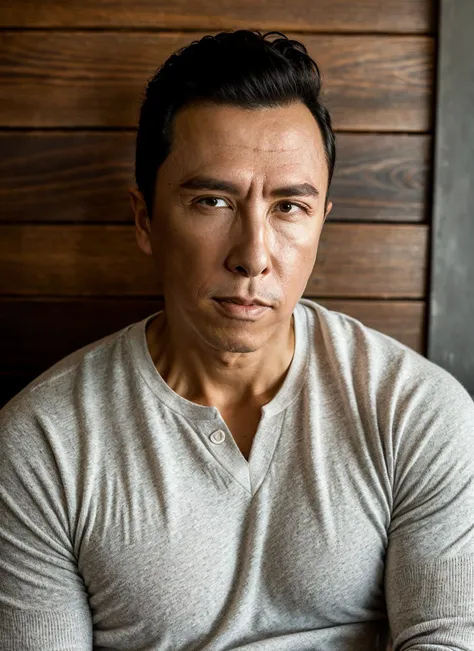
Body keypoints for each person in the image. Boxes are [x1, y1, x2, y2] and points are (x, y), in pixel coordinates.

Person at [0, 30, 473, 651]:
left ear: (321, 221)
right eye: (212, 200)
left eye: (288, 208)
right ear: (146, 220)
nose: (252, 255)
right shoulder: (44, 441)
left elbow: (447, 637)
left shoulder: (417, 411)